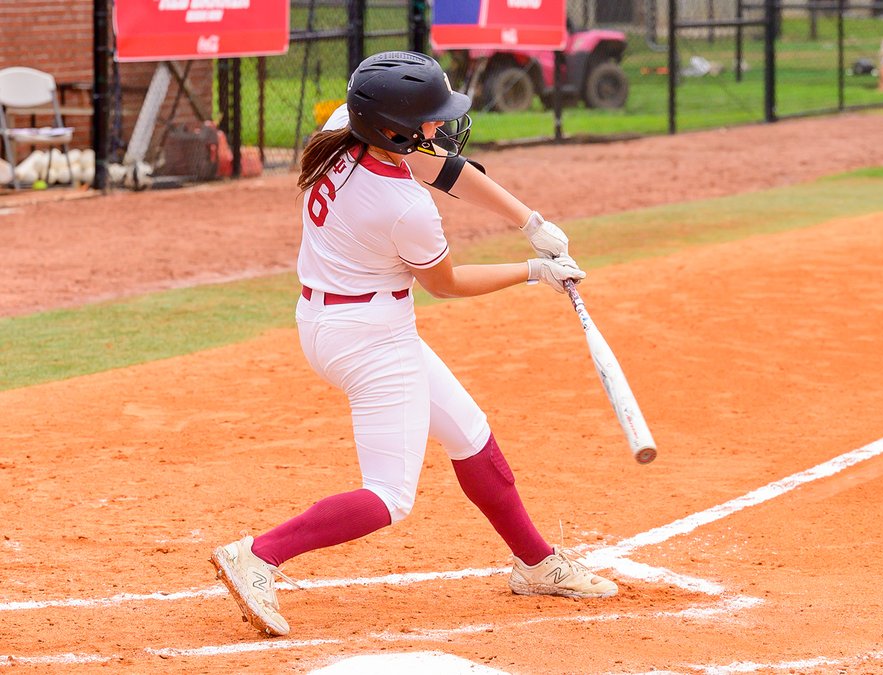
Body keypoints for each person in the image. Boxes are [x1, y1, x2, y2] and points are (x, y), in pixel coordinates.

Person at [209, 51, 618, 638]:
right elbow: (445, 284)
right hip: (370, 340)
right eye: (428, 119)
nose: (439, 128)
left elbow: (442, 166)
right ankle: (259, 554)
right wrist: (533, 271)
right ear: (393, 127)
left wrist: (530, 219)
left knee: (470, 434)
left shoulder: (342, 133)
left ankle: (536, 564)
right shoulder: (403, 208)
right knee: (391, 496)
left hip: (335, 321)